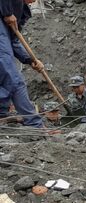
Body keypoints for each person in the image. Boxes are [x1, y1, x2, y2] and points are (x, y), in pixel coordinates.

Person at [0, 0, 44, 128]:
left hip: (4, 39)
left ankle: (1, 114)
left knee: (5, 79)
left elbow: (14, 40)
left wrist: (30, 60)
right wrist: (7, 12)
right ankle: (35, 124)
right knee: (14, 81)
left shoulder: (21, 10)